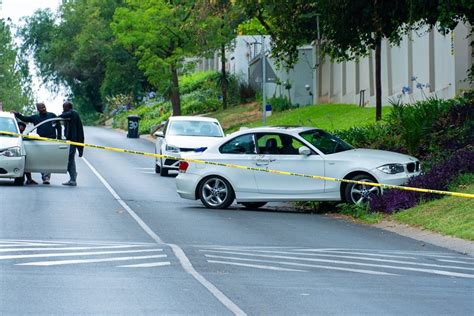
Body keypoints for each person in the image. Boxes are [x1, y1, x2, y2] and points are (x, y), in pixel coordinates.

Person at [12, 102, 62, 185]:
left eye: (44, 107)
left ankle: (46, 177)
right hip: (40, 141)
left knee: (48, 160)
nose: (43, 109)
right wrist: (16, 114)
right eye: (41, 108)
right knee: (42, 159)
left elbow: (58, 126)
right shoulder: (35, 117)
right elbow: (25, 119)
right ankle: (41, 175)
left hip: (51, 141)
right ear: (38, 109)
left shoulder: (52, 115)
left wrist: (59, 138)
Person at [59, 101, 84, 186]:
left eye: (64, 107)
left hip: (74, 140)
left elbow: (63, 116)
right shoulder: (70, 114)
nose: (63, 109)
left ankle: (73, 178)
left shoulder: (73, 113)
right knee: (70, 160)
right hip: (70, 140)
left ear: (69, 107)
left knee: (69, 160)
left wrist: (58, 116)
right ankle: (72, 178)